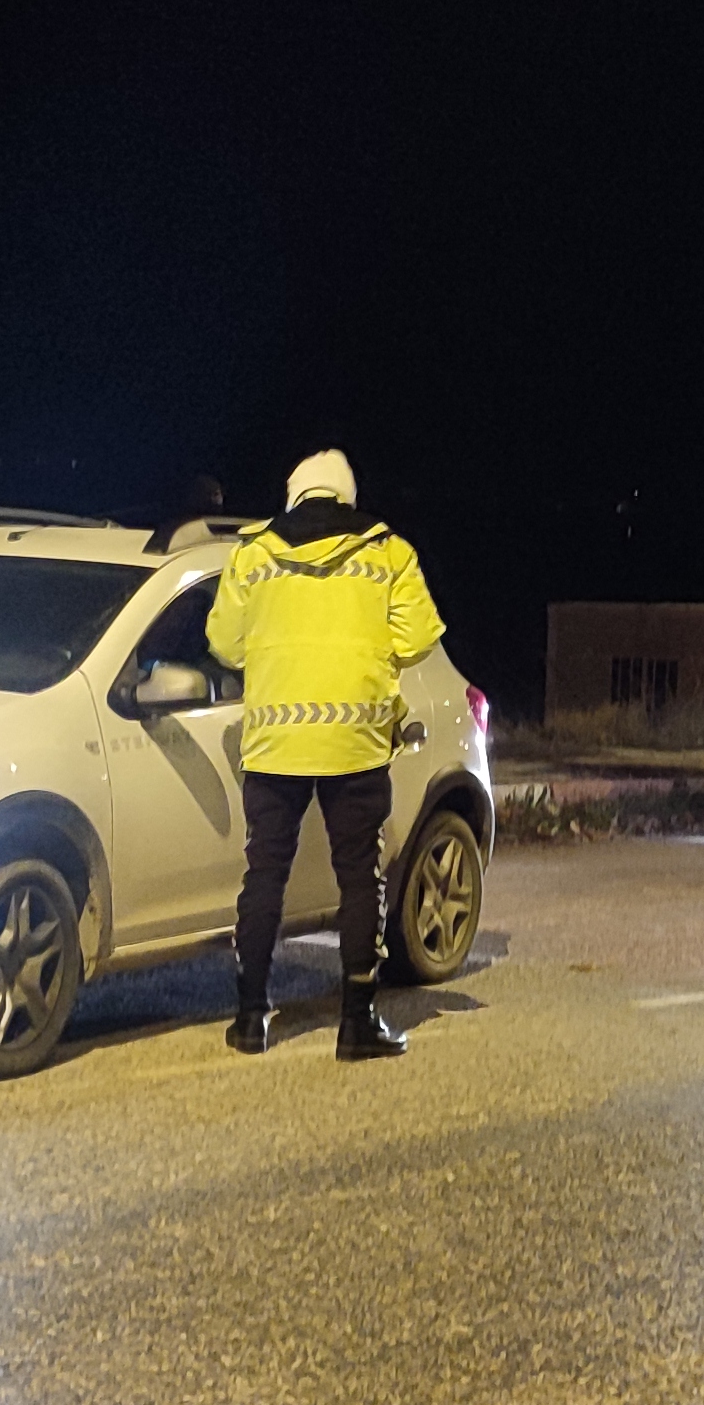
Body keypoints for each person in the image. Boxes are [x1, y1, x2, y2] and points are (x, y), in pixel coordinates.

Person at [206, 449, 446, 1061]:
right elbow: (418, 640)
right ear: (345, 494)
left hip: (274, 741)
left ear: (295, 495)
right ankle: (357, 1021)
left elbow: (223, 643)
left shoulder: (253, 553)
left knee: (265, 874)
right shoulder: (388, 550)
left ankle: (250, 1018)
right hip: (356, 740)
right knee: (359, 878)